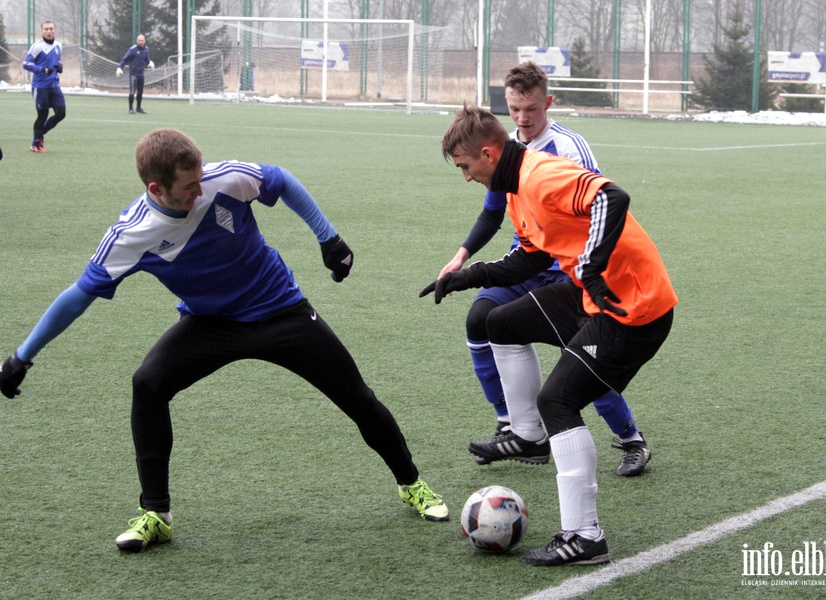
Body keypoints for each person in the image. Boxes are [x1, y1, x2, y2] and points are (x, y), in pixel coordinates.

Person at [0, 128, 449, 552]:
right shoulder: (131, 234)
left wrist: (328, 237)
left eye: (199, 179)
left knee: (355, 395)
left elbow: (281, 180)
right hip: (210, 324)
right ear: (156, 189)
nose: (199, 190)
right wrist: (23, 356)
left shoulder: (224, 179)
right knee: (148, 384)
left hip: (281, 310)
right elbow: (77, 297)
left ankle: (412, 483)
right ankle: (155, 514)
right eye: (188, 186)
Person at [421, 106, 677, 566]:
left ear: (487, 152)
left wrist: (594, 265)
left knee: (557, 401)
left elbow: (611, 198)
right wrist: (467, 276)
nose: (465, 177)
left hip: (632, 310)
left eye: (465, 167)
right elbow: (532, 260)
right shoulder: (517, 189)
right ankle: (528, 436)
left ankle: (585, 537)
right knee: (497, 320)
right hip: (592, 298)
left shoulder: (540, 175)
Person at [435, 62, 651, 477]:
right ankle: (514, 426)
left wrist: (590, 269)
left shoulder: (565, 149)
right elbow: (492, 214)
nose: (522, 118)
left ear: (546, 102)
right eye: (514, 109)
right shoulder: (502, 151)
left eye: (530, 109)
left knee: (581, 355)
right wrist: (463, 258)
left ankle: (630, 438)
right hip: (529, 262)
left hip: (568, 269)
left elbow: (602, 207)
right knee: (482, 319)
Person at [23, 21, 66, 153]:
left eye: (51, 29)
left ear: (54, 30)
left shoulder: (59, 45)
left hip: (54, 85)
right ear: (42, 31)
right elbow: (26, 64)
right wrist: (41, 69)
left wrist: (60, 66)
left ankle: (40, 135)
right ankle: (36, 144)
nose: (49, 31)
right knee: (43, 115)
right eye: (46, 29)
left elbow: (56, 61)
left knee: (61, 114)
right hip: (40, 86)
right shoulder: (37, 47)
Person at [116, 34, 154, 114]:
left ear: (145, 41)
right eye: (139, 40)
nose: (140, 42)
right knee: (132, 91)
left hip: (141, 74)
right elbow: (125, 59)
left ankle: (138, 108)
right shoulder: (132, 49)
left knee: (140, 92)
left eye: (142, 40)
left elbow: (147, 58)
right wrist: (120, 67)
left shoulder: (146, 49)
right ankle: (130, 108)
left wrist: (150, 62)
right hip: (133, 74)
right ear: (137, 41)